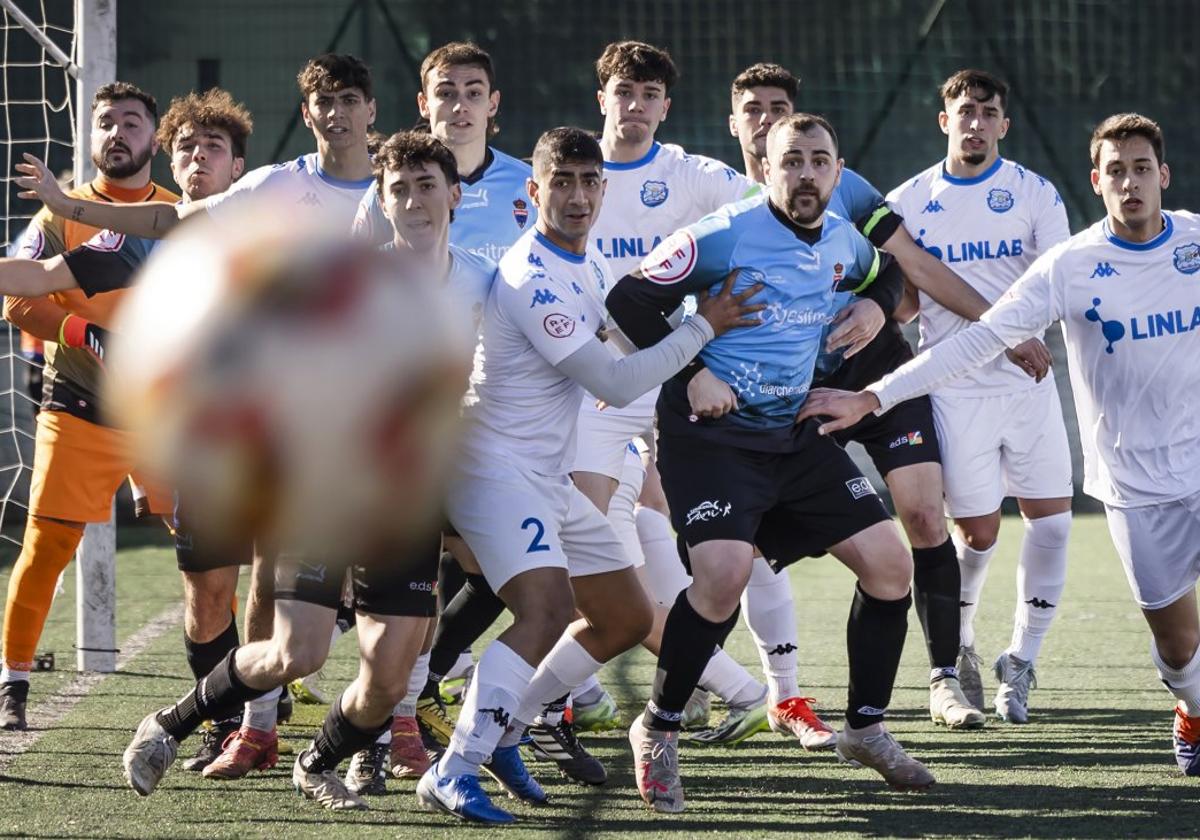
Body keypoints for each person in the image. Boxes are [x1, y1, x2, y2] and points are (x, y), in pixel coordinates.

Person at [797, 112, 1200, 777]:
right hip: (1137, 487)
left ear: (1165, 175)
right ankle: (1189, 709)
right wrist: (875, 397)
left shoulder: (1193, 241)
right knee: (1180, 650)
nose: (1131, 184)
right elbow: (979, 342)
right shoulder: (1070, 266)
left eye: (1142, 169)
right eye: (1116, 171)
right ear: (1097, 182)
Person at [416, 126, 762, 825]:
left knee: (626, 617)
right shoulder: (530, 276)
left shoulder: (593, 262)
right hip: (493, 469)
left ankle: (508, 729)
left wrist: (700, 366)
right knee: (543, 610)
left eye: (587, 182)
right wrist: (706, 328)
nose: (576, 196)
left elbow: (616, 345)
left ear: (603, 190)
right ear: (533, 192)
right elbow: (611, 375)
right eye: (562, 182)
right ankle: (453, 767)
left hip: (547, 475)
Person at [608, 113, 937, 812]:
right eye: (793, 161)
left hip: (792, 436)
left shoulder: (846, 240)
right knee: (722, 577)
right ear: (766, 169)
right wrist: (693, 369)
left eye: (821, 161)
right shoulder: (725, 232)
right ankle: (659, 726)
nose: (807, 174)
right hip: (711, 436)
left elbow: (886, 274)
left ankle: (866, 729)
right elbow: (629, 297)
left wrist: (879, 312)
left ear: (838, 172)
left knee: (890, 566)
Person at [883, 69, 1074, 723]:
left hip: (1026, 382)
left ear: (1003, 125)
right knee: (980, 531)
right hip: (954, 389)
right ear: (944, 121)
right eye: (963, 111)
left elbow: (1052, 286)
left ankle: (1019, 661)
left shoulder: (1035, 193)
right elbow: (902, 297)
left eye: (987, 112)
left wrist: (1017, 335)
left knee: (1051, 518)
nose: (975, 122)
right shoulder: (908, 199)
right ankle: (958, 644)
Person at [0, 82, 179, 733]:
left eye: (133, 121)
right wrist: (85, 332)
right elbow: (19, 298)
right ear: (92, 134)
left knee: (210, 550)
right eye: (107, 121)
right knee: (46, 545)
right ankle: (13, 680)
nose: (119, 132)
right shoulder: (58, 215)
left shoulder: (181, 212)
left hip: (168, 416)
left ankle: (243, 693)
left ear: (154, 139)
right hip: (79, 405)